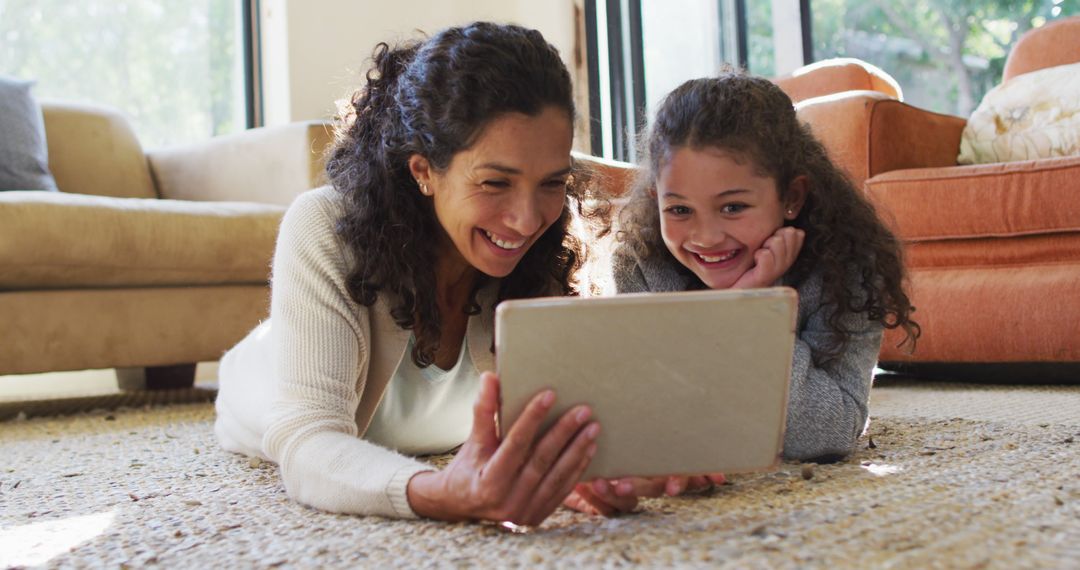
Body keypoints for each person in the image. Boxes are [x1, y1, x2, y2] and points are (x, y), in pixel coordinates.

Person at [214, 22, 639, 525]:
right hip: (267, 379)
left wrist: (613, 463)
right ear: (423, 171)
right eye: (495, 182)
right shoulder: (324, 226)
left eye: (551, 182)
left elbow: (552, 421)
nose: (528, 220)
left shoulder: (543, 248)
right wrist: (441, 494)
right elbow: (308, 443)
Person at [612, 72, 919, 464]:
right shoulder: (641, 263)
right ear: (657, 200)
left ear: (791, 197)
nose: (705, 237)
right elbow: (652, 418)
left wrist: (754, 311)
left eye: (733, 207)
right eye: (679, 209)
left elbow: (827, 434)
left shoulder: (849, 270)